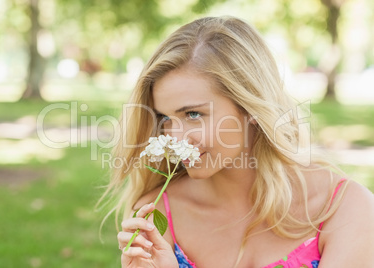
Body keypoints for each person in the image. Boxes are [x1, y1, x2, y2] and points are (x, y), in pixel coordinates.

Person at [100, 16, 374, 267]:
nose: (174, 138)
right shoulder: (155, 213)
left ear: (250, 107)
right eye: (164, 118)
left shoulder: (344, 208)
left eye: (193, 114)